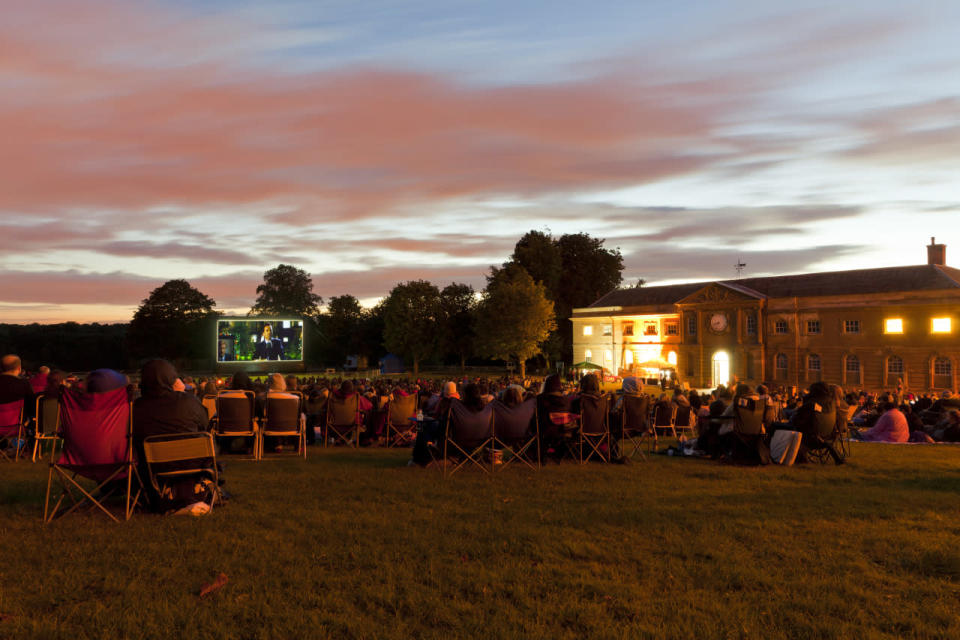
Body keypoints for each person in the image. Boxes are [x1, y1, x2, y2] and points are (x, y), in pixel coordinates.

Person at [132, 359, 216, 514]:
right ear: (171, 377)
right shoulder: (189, 402)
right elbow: (205, 426)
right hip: (192, 466)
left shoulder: (137, 408)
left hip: (154, 470)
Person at [0, 354, 35, 421]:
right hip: (16, 427)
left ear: (1, 368)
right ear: (19, 368)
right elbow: (32, 408)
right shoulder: (24, 384)